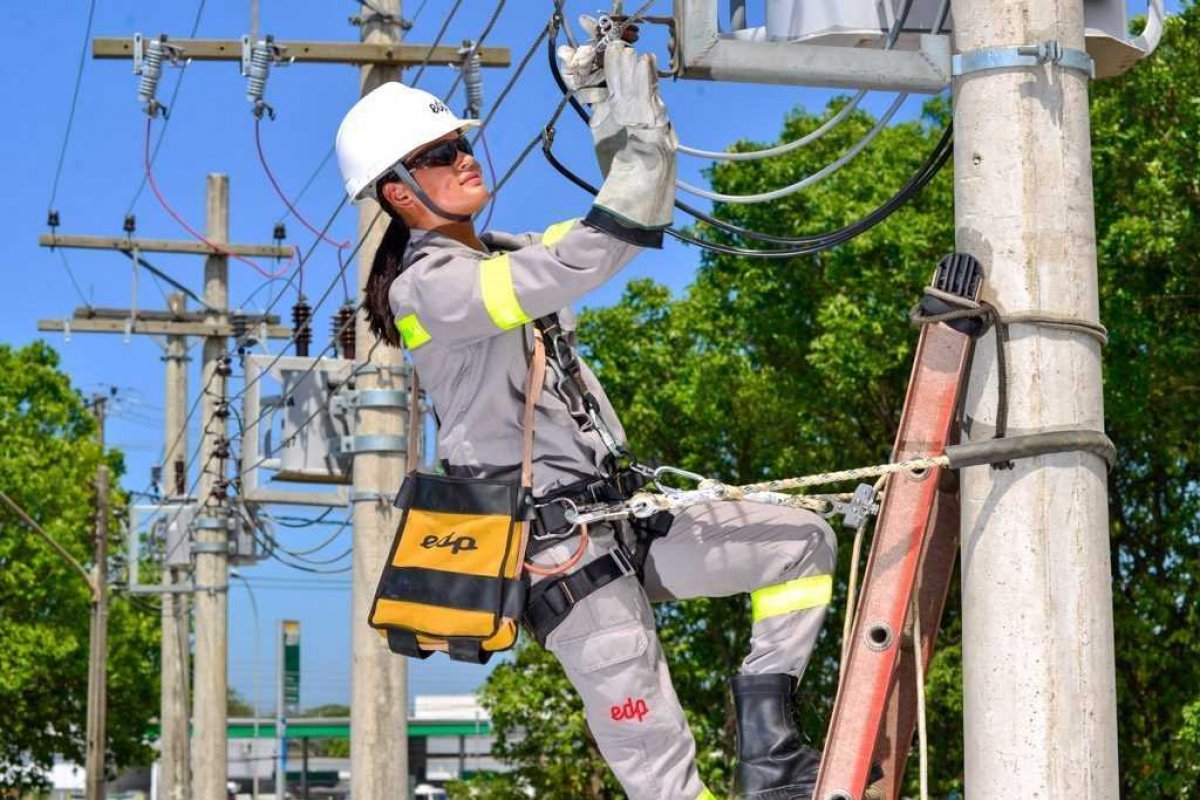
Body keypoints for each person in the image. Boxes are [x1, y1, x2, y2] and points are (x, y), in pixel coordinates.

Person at [335, 37, 837, 800]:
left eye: (462, 142)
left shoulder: (502, 254)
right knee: (664, 771)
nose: (465, 156)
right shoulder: (428, 293)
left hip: (625, 518)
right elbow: (591, 254)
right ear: (401, 193)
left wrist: (618, 105)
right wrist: (628, 131)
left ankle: (770, 746)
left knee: (800, 541)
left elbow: (624, 219)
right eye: (440, 154)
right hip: (562, 560)